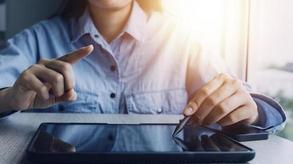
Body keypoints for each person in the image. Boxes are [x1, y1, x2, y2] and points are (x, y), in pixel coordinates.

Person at [0, 0, 286, 134]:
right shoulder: (38, 39)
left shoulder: (182, 39)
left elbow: (261, 109)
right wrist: (9, 98)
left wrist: (252, 111)